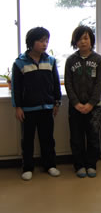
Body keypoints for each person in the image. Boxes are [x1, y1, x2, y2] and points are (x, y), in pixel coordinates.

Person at [11, 27, 62, 181]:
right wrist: (18, 107)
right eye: (41, 41)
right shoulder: (19, 63)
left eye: (46, 41)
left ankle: (50, 165)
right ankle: (27, 167)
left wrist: (57, 102)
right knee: (27, 140)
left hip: (47, 107)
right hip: (27, 109)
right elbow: (16, 87)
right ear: (31, 42)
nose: (44, 44)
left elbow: (56, 83)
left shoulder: (51, 61)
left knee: (47, 139)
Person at [64, 25, 101, 178]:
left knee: (93, 136)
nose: (83, 42)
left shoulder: (98, 60)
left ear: (91, 40)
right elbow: (68, 83)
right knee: (76, 137)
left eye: (86, 38)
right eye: (79, 39)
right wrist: (76, 103)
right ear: (75, 42)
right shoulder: (70, 60)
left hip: (94, 107)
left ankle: (91, 164)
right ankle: (79, 165)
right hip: (75, 107)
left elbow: (99, 84)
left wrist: (90, 104)